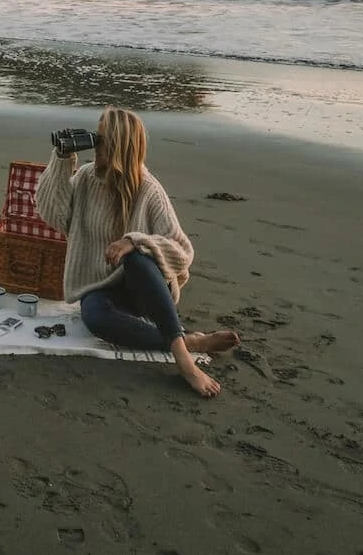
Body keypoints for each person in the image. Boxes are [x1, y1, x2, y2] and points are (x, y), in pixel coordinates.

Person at [36, 106, 239, 397]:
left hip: (148, 291)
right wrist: (60, 161)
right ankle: (189, 342)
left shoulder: (148, 190)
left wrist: (136, 241)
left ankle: (182, 358)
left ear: (119, 147)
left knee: (136, 259)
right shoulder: (84, 178)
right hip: (105, 289)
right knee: (93, 315)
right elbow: (51, 214)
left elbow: (183, 252)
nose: (96, 144)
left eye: (102, 139)